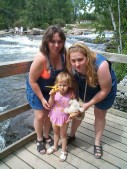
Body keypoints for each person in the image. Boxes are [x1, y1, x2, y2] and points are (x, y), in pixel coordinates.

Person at [66, 42, 117, 159]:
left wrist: (88, 104)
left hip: (105, 88)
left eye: (80, 60)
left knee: (99, 114)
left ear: (87, 57)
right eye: (73, 61)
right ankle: (72, 135)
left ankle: (97, 142)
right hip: (85, 85)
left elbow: (105, 90)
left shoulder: (101, 65)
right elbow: (73, 81)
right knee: (79, 112)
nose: (77, 64)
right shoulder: (71, 65)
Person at [26, 25, 66, 154]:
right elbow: (32, 81)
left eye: (59, 41)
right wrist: (42, 99)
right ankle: (39, 139)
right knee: (40, 115)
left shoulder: (64, 56)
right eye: (52, 41)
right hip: (35, 87)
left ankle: (46, 135)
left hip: (50, 89)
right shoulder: (41, 59)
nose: (56, 45)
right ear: (46, 41)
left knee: (49, 114)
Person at [46, 71, 75, 161]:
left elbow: (73, 106)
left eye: (65, 85)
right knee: (55, 133)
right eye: (60, 85)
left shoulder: (71, 95)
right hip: (55, 117)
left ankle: (63, 151)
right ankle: (55, 146)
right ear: (56, 84)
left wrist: (71, 115)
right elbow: (50, 104)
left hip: (64, 118)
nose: (62, 87)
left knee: (63, 135)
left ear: (69, 85)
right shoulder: (55, 93)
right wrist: (51, 96)